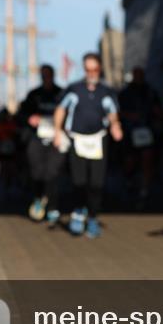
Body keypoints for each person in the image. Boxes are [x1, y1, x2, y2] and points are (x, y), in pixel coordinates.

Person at [53, 53, 123, 239]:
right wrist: (57, 131)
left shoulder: (106, 92)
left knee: (96, 183)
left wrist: (116, 126)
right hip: (77, 139)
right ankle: (78, 211)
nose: (91, 73)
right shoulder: (74, 90)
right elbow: (61, 109)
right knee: (79, 181)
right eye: (88, 69)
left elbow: (113, 113)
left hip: (98, 140)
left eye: (95, 69)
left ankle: (92, 216)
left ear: (99, 69)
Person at [18, 64, 66, 224]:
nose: (46, 79)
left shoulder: (61, 94)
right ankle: (38, 198)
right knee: (37, 172)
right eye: (43, 76)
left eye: (49, 75)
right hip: (36, 139)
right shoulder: (34, 95)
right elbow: (22, 114)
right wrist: (30, 118)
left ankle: (52, 207)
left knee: (52, 173)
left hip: (56, 139)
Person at [119, 66, 163, 209]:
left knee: (147, 159)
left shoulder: (150, 92)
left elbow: (158, 110)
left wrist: (157, 117)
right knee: (130, 160)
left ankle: (144, 189)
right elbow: (118, 112)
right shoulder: (125, 93)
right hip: (130, 131)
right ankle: (129, 180)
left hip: (147, 130)